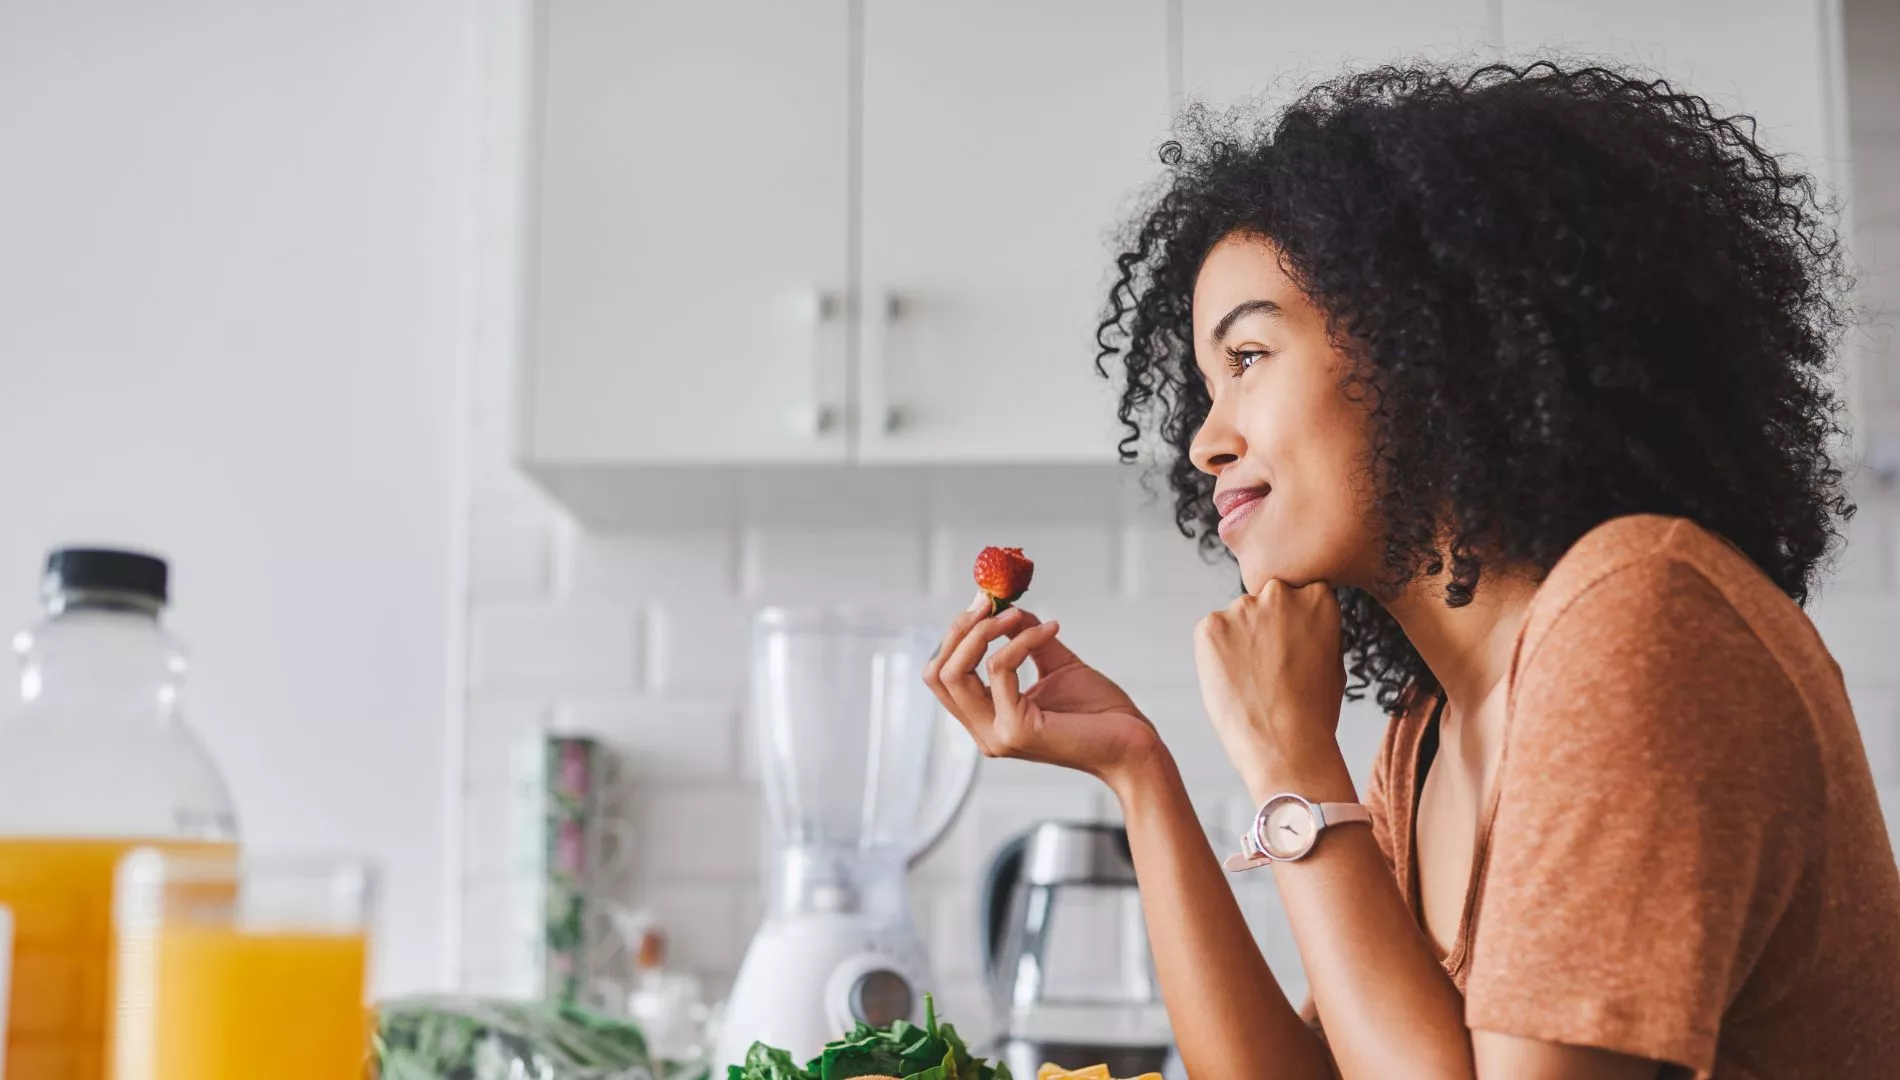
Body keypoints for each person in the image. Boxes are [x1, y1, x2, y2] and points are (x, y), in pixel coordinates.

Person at [923, 61, 1900, 1080]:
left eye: (1247, 358)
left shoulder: (1639, 613)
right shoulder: (1428, 728)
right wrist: (1138, 773)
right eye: (1204, 389)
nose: (1206, 441)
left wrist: (1293, 765)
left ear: (1430, 344)